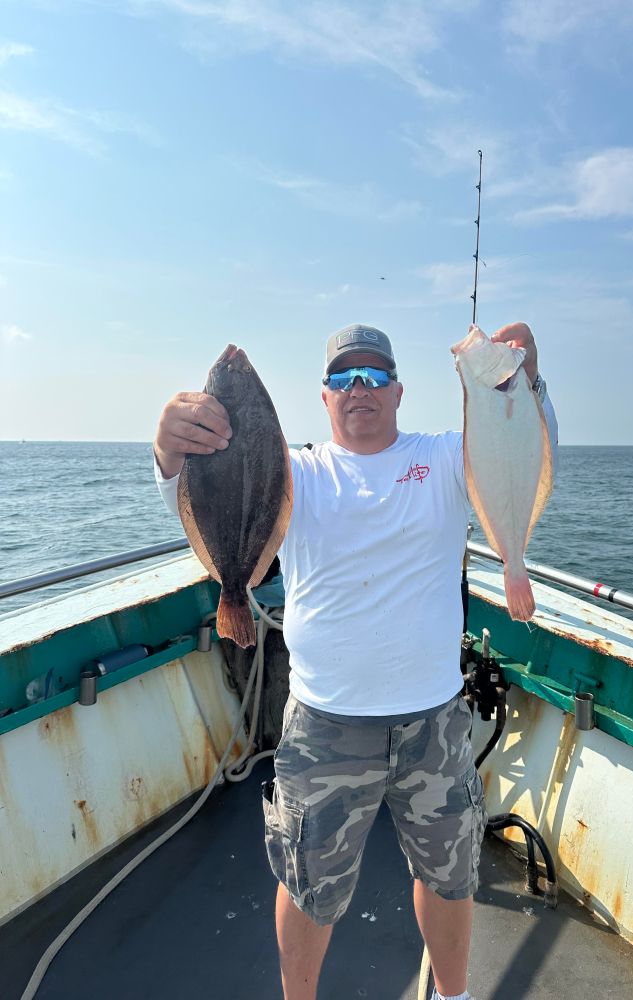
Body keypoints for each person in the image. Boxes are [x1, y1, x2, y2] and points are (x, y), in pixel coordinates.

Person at [153, 322, 558, 1000]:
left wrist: (529, 384)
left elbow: (522, 449)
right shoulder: (297, 474)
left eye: (373, 376)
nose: (359, 388)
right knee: (309, 886)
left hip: (433, 719)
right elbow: (199, 493)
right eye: (343, 378)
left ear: (399, 390)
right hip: (324, 726)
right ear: (323, 398)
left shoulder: (447, 458)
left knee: (450, 874)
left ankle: (453, 995)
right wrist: (167, 450)